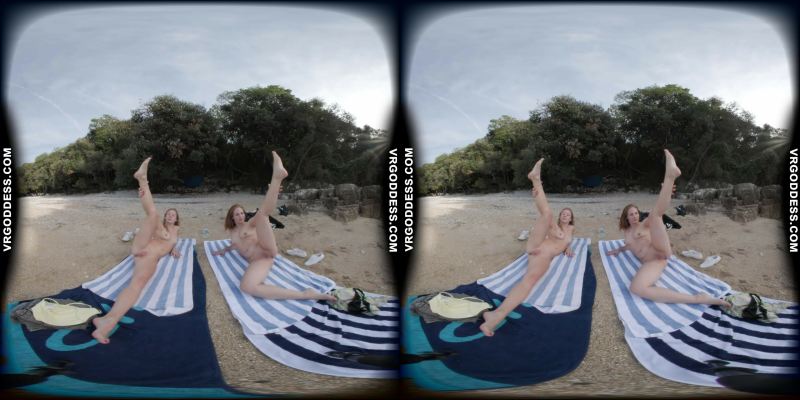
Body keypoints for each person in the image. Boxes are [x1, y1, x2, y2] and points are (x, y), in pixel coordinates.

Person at [606, 149, 730, 307]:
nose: (635, 216)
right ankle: (699, 298)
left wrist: (666, 191)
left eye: (636, 213)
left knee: (655, 214)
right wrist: (619, 249)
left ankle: (670, 176)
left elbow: (657, 212)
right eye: (631, 214)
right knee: (636, 288)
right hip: (652, 262)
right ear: (626, 217)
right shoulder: (626, 232)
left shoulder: (644, 224)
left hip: (658, 251)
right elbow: (630, 245)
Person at [212, 152, 335, 301]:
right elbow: (236, 244)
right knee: (246, 286)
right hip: (259, 261)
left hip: (265, 249)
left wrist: (273, 191)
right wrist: (225, 249)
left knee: (261, 214)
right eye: (237, 214)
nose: (241, 216)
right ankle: (306, 294)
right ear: (232, 217)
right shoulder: (232, 231)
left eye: (242, 213)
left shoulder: (249, 224)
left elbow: (264, 211)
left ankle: (277, 177)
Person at [480, 158, 576, 337]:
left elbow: (566, 242)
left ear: (571, 219)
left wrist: (567, 248)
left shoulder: (570, 229)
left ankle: (495, 316)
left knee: (528, 282)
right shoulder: (554, 226)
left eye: (568, 214)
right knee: (547, 213)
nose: (565, 215)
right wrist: (537, 195)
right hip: (539, 245)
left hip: (543, 257)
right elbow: (544, 212)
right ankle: (536, 180)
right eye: (563, 213)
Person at [92, 157, 182, 344]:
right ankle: (142, 179)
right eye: (169, 214)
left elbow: (169, 243)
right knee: (153, 213)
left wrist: (173, 247)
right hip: (144, 248)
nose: (170, 215)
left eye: (173, 215)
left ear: (176, 219)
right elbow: (150, 210)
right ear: (166, 218)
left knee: (138, 285)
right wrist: (143, 192)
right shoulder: (159, 227)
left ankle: (107, 321)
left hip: (150, 258)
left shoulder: (176, 231)